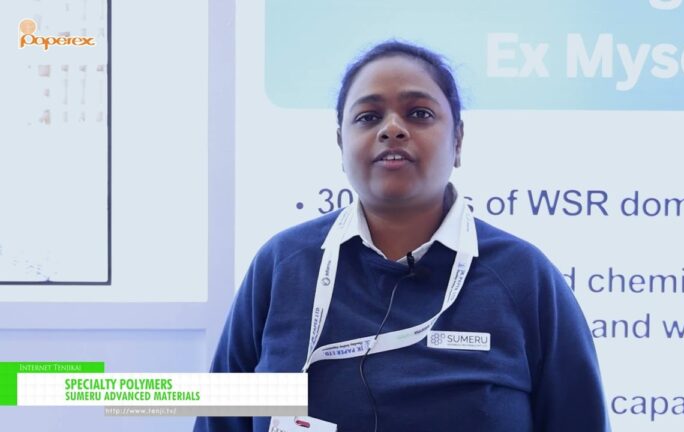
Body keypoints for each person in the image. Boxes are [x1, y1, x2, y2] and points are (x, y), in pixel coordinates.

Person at [195, 40, 610, 432]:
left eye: (419, 113)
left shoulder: (524, 276)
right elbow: (221, 420)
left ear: (458, 140)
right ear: (341, 143)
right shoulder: (284, 265)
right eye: (368, 117)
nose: (392, 129)